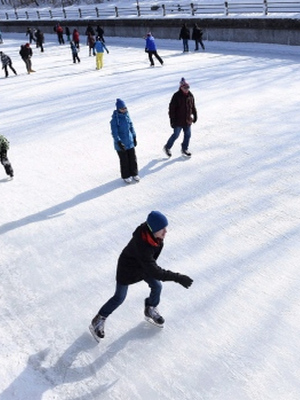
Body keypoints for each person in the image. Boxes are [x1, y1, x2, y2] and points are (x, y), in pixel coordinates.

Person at [89, 211, 193, 341]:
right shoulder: (143, 245)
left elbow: (152, 264)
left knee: (157, 286)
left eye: (165, 228)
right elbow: (155, 271)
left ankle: (150, 308)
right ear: (154, 229)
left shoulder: (156, 238)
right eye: (162, 229)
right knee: (119, 297)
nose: (166, 232)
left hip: (144, 266)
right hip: (127, 269)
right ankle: (99, 319)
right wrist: (178, 277)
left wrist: (152, 268)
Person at [164, 78, 197, 158]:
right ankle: (167, 147)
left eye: (188, 87)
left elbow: (193, 106)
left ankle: (184, 149)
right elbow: (171, 109)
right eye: (185, 88)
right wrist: (172, 120)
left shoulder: (190, 95)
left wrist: (195, 115)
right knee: (176, 135)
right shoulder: (176, 96)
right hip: (178, 121)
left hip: (187, 119)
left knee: (188, 135)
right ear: (181, 87)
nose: (187, 89)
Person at [110, 99, 139, 183]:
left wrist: (134, 136)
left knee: (132, 158)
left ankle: (134, 173)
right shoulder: (114, 120)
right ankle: (126, 175)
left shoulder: (127, 116)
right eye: (122, 108)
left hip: (129, 141)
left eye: (125, 108)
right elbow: (114, 133)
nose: (124, 110)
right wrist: (119, 142)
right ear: (118, 109)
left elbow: (131, 126)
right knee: (124, 160)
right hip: (121, 143)